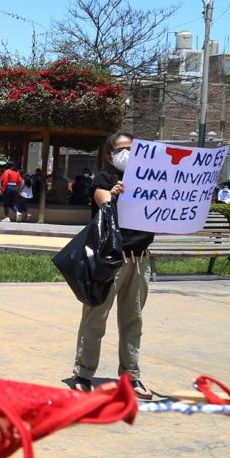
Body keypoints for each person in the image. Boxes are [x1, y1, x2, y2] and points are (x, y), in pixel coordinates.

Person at [71, 132, 154, 401]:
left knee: (133, 321)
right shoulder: (104, 179)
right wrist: (115, 195)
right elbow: (104, 205)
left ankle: (131, 374)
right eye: (122, 149)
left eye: (132, 148)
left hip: (140, 259)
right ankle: (83, 373)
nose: (127, 153)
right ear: (110, 155)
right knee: (96, 317)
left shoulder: (149, 179)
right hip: (110, 260)